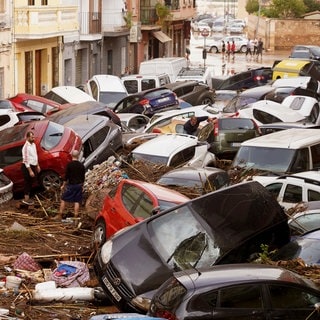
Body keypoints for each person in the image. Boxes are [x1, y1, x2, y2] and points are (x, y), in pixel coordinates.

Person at [57, 150, 85, 220]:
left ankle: (60, 215)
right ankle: (75, 217)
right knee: (77, 201)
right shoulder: (81, 166)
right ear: (78, 156)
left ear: (72, 156)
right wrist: (82, 186)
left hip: (71, 186)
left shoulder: (69, 165)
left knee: (63, 199)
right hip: (79, 185)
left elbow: (66, 176)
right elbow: (83, 177)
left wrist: (63, 185)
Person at [21, 131, 40, 205]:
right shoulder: (25, 147)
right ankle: (26, 199)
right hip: (27, 167)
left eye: (33, 137)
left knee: (32, 181)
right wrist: (30, 171)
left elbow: (35, 156)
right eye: (32, 137)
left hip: (33, 165)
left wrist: (37, 165)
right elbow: (26, 160)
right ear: (28, 137)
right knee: (27, 183)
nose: (33, 138)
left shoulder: (33, 145)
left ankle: (29, 196)